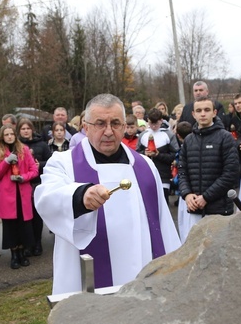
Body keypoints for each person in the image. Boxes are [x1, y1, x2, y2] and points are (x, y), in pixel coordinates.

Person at [35, 93, 181, 296]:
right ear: (86, 127)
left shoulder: (145, 165)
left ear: (124, 126)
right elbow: (46, 198)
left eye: (115, 123)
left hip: (143, 267)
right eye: (100, 123)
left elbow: (163, 223)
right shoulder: (63, 163)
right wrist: (80, 195)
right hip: (89, 276)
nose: (108, 131)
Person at [177, 99, 239, 242]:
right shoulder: (188, 140)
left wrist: (206, 197)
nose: (203, 114)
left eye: (207, 110)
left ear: (214, 112)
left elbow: (230, 174)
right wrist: (186, 194)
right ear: (193, 114)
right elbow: (182, 171)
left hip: (219, 210)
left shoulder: (226, 137)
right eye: (199, 111)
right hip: (194, 210)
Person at [0, 124, 38, 269]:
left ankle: (23, 253)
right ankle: (14, 254)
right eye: (7, 134)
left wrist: (23, 177)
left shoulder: (23, 149)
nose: (10, 136)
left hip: (22, 193)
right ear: (2, 136)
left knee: (24, 225)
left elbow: (34, 170)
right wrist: (6, 161)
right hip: (7, 196)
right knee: (11, 227)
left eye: (11, 134)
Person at [18, 118, 51, 256]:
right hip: (21, 185)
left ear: (32, 130)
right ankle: (27, 244)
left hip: (37, 184)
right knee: (25, 217)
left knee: (37, 216)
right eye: (23, 129)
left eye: (28, 128)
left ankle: (37, 242)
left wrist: (40, 165)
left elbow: (50, 162)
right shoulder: (16, 145)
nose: (26, 131)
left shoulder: (42, 145)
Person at [137, 108, 180, 200]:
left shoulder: (168, 135)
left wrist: (158, 155)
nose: (153, 126)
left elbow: (175, 156)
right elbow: (136, 155)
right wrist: (144, 153)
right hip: (146, 175)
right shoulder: (142, 135)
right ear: (147, 120)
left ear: (161, 120)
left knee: (163, 201)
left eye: (156, 123)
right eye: (151, 123)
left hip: (163, 176)